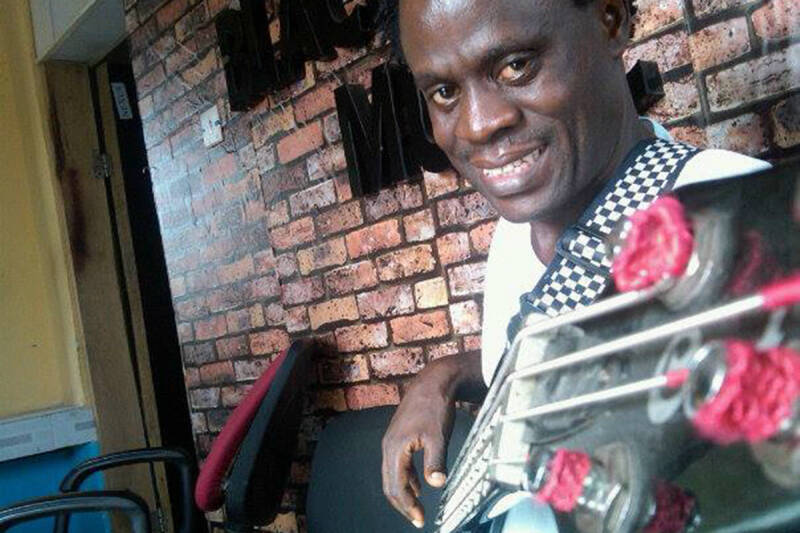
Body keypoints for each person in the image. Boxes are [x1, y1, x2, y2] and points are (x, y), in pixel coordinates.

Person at [378, 0, 772, 529]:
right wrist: (444, 376)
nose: (478, 124)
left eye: (516, 65)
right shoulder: (514, 233)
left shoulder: (740, 216)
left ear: (611, 21)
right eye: (445, 92)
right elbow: (542, 374)